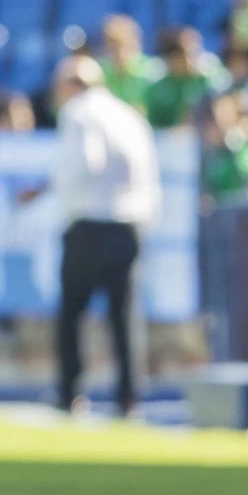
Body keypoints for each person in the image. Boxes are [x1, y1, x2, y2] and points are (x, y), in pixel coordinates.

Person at [46, 54, 161, 417]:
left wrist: (65, 195)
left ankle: (71, 395)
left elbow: (84, 164)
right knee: (123, 317)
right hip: (129, 224)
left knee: (72, 315)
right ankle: (128, 399)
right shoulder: (129, 115)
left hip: (90, 224)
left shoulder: (79, 112)